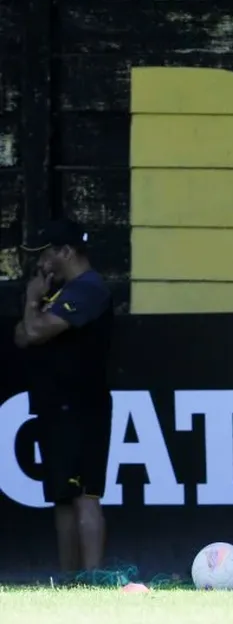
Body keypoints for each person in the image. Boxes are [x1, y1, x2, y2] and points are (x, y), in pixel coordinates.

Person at [14, 218, 114, 584]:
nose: (42, 264)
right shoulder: (57, 291)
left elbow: (36, 329)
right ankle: (68, 580)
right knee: (61, 495)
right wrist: (36, 307)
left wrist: (31, 301)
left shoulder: (89, 289)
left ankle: (92, 576)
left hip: (82, 405)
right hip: (55, 404)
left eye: (47, 255)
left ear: (66, 252)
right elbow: (22, 337)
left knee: (86, 494)